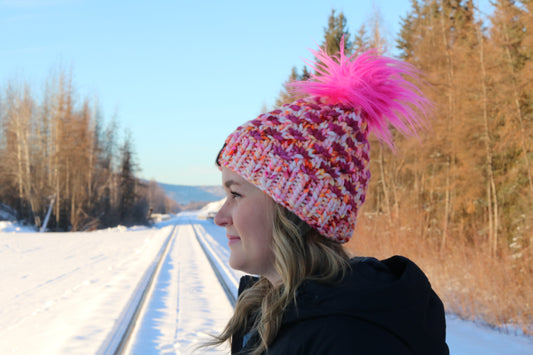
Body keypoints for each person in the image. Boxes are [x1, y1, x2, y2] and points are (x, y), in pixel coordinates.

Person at [210, 40, 449, 354]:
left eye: (236, 194)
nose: (219, 217)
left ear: (294, 209)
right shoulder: (277, 312)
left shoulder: (348, 339)